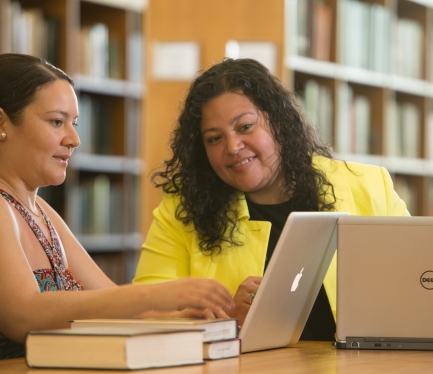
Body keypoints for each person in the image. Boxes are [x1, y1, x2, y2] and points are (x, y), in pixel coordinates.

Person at [133, 58, 409, 341]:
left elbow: (419, 284)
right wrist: (227, 322)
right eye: (214, 139)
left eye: (245, 127)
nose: (233, 147)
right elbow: (144, 316)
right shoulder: (183, 210)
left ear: (279, 121)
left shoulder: (370, 186)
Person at [0, 53, 233, 360]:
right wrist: (155, 295)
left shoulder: (40, 210)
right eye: (57, 122)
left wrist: (209, 320)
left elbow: (110, 304)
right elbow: (24, 316)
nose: (74, 139)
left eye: (74, 123)